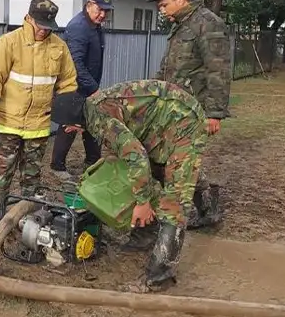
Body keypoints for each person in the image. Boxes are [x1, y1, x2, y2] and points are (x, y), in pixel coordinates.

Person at [51, 80, 207, 293]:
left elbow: (138, 157)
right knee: (151, 174)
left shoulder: (101, 120)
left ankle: (159, 277)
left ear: (73, 123)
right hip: (161, 122)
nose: (67, 130)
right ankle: (146, 235)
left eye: (66, 126)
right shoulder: (92, 107)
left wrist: (142, 202)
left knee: (174, 198)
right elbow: (126, 154)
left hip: (182, 121)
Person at [0, 0, 78, 210]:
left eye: (48, 27)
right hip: (8, 123)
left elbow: (68, 84)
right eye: (40, 25)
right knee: (2, 174)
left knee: (31, 178)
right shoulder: (9, 43)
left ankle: (28, 218)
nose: (44, 31)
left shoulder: (59, 48)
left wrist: (70, 117)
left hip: (38, 127)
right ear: (29, 18)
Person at [148, 0, 231, 231]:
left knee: (181, 161)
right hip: (173, 107)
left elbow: (218, 70)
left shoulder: (207, 23)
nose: (161, 10)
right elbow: (171, 67)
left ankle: (203, 208)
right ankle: (205, 207)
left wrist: (214, 114)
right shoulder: (183, 24)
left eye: (164, 4)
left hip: (193, 109)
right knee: (168, 158)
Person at [50, 0, 110, 181]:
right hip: (74, 86)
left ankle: (93, 162)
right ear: (89, 4)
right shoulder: (79, 27)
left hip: (88, 85)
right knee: (70, 124)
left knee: (92, 124)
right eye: (100, 9)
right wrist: (94, 88)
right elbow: (76, 64)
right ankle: (57, 166)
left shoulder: (94, 26)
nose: (103, 14)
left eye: (106, 11)